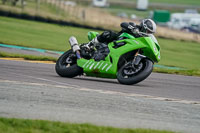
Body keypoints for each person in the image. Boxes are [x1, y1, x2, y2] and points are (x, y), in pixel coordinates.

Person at [84, 19, 157, 49]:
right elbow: (123, 23)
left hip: (128, 47)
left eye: (150, 33)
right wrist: (133, 29)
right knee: (108, 33)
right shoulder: (134, 26)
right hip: (117, 40)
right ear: (144, 27)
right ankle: (89, 45)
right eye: (148, 31)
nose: (148, 34)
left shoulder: (144, 39)